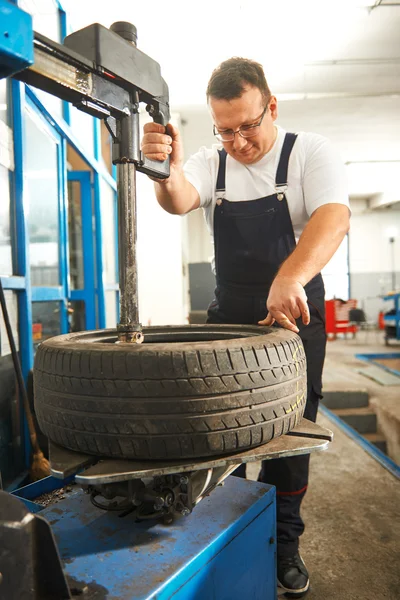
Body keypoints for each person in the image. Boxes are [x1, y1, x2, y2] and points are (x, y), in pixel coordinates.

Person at [142, 57, 350, 598]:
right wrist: (166, 171)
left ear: (270, 106)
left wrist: (291, 276)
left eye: (247, 126)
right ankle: (225, 537)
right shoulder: (213, 162)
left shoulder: (310, 152)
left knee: (290, 432)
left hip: (295, 315)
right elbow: (179, 201)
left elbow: (334, 217)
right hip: (232, 316)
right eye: (225, 130)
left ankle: (284, 544)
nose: (237, 141)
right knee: (222, 433)